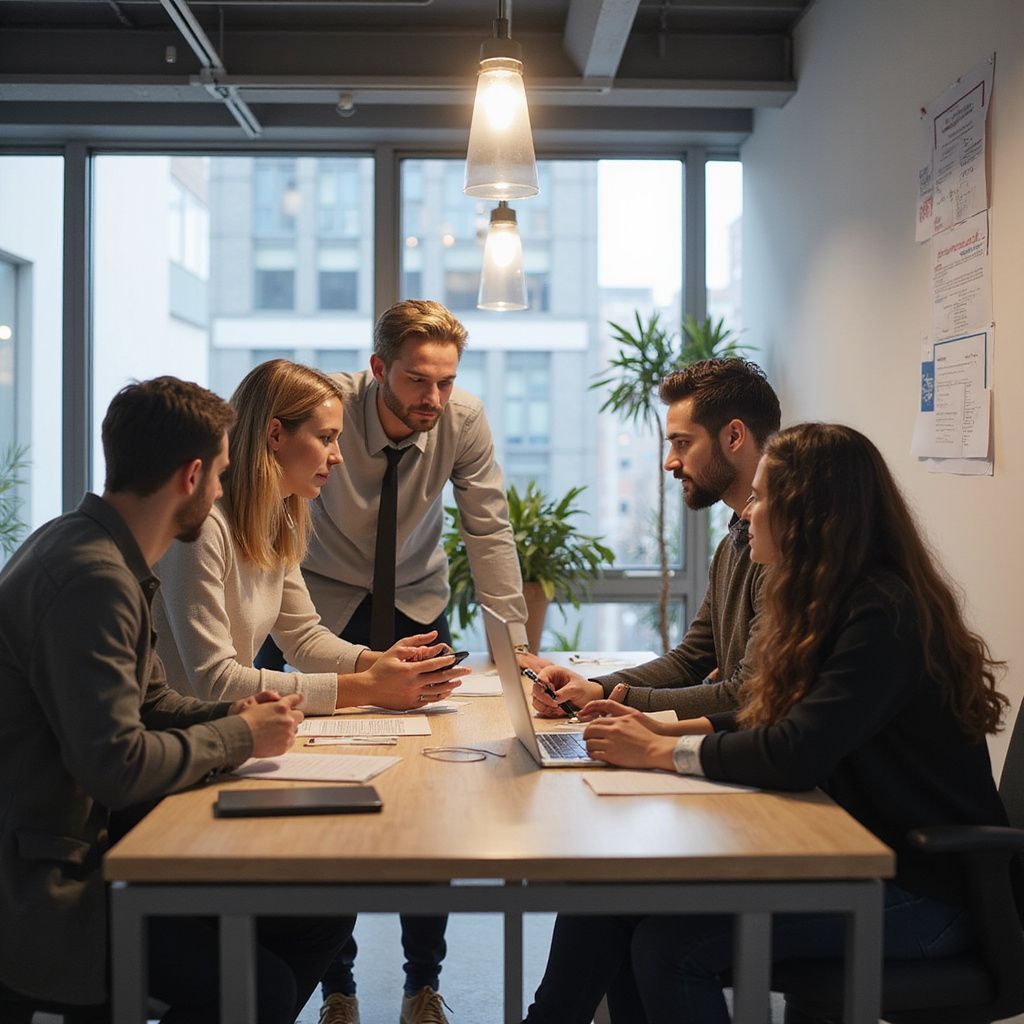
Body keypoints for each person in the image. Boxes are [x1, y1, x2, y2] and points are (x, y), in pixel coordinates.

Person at [526, 422, 1010, 1024]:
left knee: (670, 948)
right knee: (609, 896)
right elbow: (780, 717)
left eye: (761, 498)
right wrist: (665, 731)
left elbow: (795, 750)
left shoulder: (883, 612)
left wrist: (656, 754)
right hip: (850, 854)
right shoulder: (832, 600)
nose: (747, 513)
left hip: (925, 891)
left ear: (811, 515)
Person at [0, 377, 349, 1024]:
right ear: (191, 476)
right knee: (262, 988)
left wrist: (240, 717)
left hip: (99, 845)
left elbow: (155, 699)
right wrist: (241, 738)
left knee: (322, 915)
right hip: (59, 887)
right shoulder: (93, 580)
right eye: (219, 474)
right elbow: (118, 765)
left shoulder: (95, 548)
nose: (223, 490)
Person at [255, 301, 533, 1024]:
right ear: (378, 369)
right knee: (318, 777)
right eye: (417, 381)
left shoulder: (461, 420)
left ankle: (422, 984)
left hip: (414, 600)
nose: (432, 399)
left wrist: (516, 641)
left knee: (433, 788)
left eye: (445, 381)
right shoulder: (330, 409)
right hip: (315, 603)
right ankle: (336, 985)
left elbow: (488, 526)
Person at [154, 359, 468, 715]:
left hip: (214, 734)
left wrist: (381, 664)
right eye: (326, 438)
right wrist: (367, 687)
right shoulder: (201, 528)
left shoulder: (277, 521)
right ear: (274, 435)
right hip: (172, 741)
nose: (338, 457)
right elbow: (215, 681)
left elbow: (303, 638)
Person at [531, 358, 781, 721]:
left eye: (682, 443)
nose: (669, 462)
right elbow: (691, 658)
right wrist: (595, 689)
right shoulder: (734, 543)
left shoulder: (784, 547)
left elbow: (746, 694)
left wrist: (620, 702)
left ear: (733, 436)